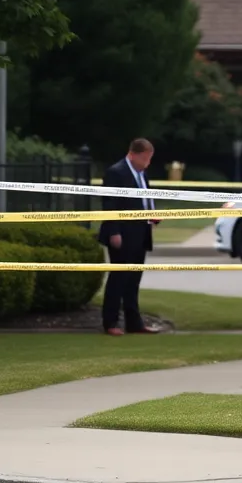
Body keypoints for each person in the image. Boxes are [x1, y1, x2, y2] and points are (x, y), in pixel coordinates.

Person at [98, 138, 162, 336]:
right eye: (144, 158)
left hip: (140, 233)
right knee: (119, 278)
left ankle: (134, 322)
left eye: (149, 159)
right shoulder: (116, 173)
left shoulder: (142, 174)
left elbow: (144, 198)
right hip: (123, 234)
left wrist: (151, 214)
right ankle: (111, 322)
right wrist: (114, 232)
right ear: (132, 154)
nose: (147, 163)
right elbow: (110, 204)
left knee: (133, 280)